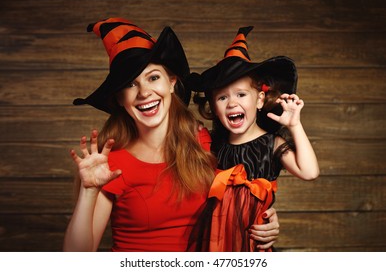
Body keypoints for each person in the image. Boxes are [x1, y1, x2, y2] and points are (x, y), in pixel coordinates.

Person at [63, 18, 279, 252]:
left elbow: (241, 197)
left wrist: (264, 218)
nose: (145, 92)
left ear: (172, 82)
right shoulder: (112, 165)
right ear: (119, 99)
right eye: (130, 84)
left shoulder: (206, 142)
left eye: (153, 77)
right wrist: (88, 191)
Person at [186, 26, 319, 252]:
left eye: (241, 94)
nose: (232, 103)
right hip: (214, 244)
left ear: (259, 100)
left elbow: (309, 172)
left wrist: (295, 125)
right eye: (222, 97)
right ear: (214, 108)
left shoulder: (271, 144)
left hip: (252, 245)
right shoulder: (214, 145)